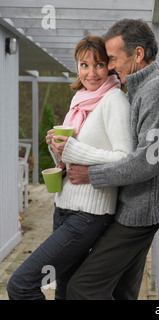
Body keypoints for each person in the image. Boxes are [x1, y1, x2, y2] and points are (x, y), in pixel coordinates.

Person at [7, 36, 133, 300]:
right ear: (77, 67)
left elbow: (126, 159)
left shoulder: (114, 101)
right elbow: (71, 159)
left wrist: (72, 148)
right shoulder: (80, 101)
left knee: (21, 285)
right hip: (63, 208)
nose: (91, 72)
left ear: (109, 66)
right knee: (65, 291)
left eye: (98, 65)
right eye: (84, 65)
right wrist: (57, 150)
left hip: (88, 215)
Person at [65, 19, 159, 300]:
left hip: (138, 214)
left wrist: (91, 175)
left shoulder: (154, 89)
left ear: (139, 54)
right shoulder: (139, 86)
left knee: (81, 289)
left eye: (113, 59)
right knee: (124, 293)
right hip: (132, 208)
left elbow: (147, 161)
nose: (108, 67)